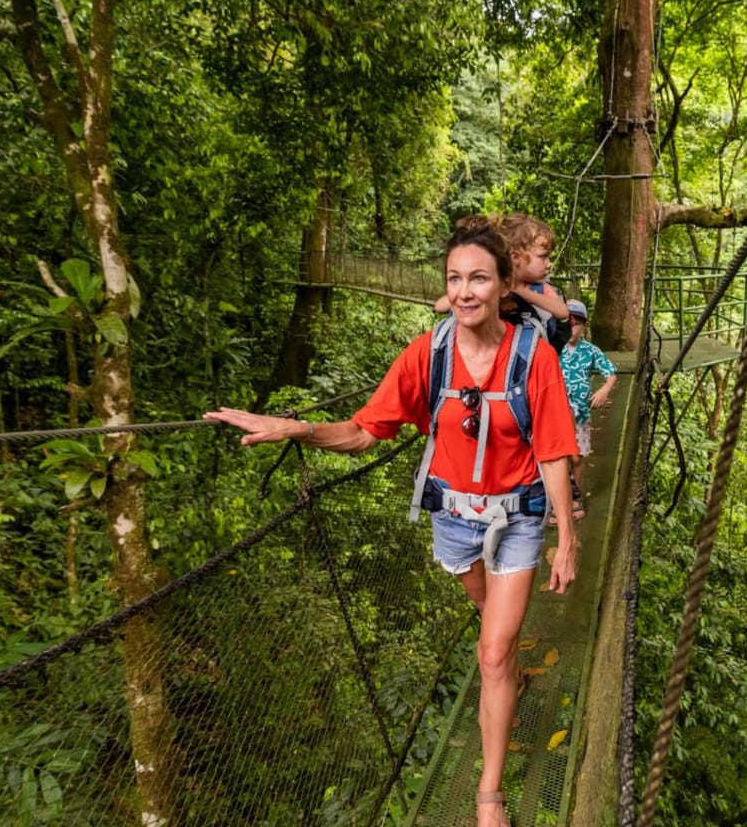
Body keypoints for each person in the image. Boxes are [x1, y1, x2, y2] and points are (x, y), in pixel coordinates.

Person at [205, 216, 579, 827]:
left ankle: (490, 796)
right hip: (455, 521)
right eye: (455, 278)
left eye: (479, 278)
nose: (464, 292)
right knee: (497, 644)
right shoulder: (425, 356)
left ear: (504, 284)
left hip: (518, 517)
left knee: (492, 649)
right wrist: (296, 428)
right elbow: (361, 431)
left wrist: (568, 537)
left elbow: (555, 450)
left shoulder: (532, 356)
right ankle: (507, 677)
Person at [436, 213, 570, 351]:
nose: (549, 264)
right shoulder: (489, 287)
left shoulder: (540, 288)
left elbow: (562, 312)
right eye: (543, 257)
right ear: (516, 257)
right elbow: (440, 307)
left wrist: (521, 293)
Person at [558, 299, 618, 521]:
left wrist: (604, 390)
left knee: (577, 457)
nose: (571, 329)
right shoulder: (555, 348)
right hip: (558, 414)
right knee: (563, 455)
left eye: (576, 324)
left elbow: (610, 373)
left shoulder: (590, 351)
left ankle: (575, 494)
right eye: (568, 323)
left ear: (584, 325)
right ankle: (564, 498)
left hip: (581, 414)